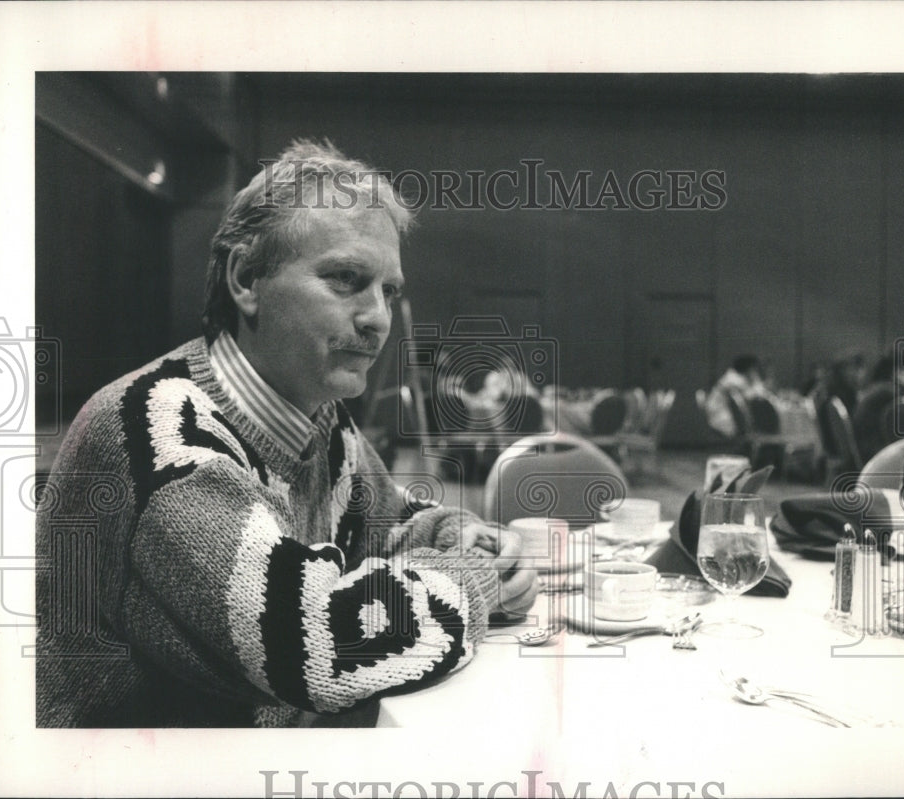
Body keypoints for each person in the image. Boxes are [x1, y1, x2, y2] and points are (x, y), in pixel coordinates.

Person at [35, 139, 538, 727]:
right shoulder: (158, 435)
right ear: (247, 278)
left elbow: (389, 530)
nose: (378, 318)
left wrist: (462, 536)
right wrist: (475, 581)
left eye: (389, 290)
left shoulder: (319, 420)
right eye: (347, 279)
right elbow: (325, 648)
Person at [703, 354, 770, 438]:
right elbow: (756, 396)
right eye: (754, 369)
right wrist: (756, 379)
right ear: (748, 368)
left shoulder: (738, 378)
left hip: (728, 419)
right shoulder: (733, 379)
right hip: (722, 420)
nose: (755, 371)